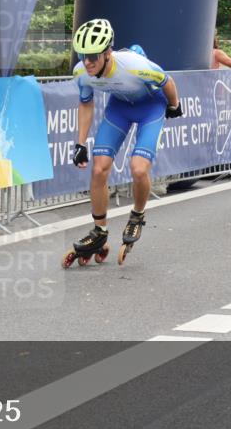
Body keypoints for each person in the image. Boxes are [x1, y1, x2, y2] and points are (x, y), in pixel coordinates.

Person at [64, 18, 183, 267]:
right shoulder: (82, 73)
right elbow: (86, 104)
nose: (87, 62)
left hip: (150, 108)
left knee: (138, 168)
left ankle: (137, 215)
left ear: (108, 52)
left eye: (93, 56)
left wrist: (174, 106)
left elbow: (168, 81)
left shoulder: (134, 65)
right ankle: (99, 231)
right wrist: (79, 144)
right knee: (99, 169)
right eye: (83, 55)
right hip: (119, 109)